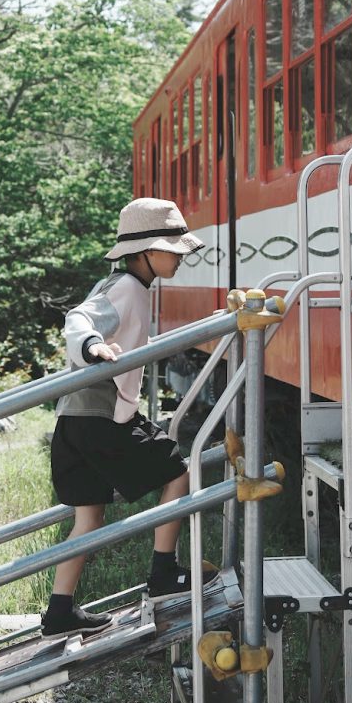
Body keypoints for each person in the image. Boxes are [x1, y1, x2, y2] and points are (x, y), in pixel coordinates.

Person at [41, 197, 212, 638]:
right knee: (179, 469)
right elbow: (78, 319)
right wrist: (92, 347)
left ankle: (59, 613)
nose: (178, 256)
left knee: (88, 518)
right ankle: (163, 572)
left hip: (74, 418)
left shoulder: (122, 285)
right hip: (101, 414)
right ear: (145, 252)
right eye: (171, 249)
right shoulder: (126, 288)